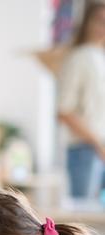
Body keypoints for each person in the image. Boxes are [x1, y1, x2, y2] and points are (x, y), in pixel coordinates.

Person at [57, 0, 105, 200]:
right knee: (86, 218)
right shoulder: (79, 58)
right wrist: (97, 143)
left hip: (98, 149)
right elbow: (64, 111)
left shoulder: (99, 58)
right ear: (86, 23)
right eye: (100, 21)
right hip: (85, 150)